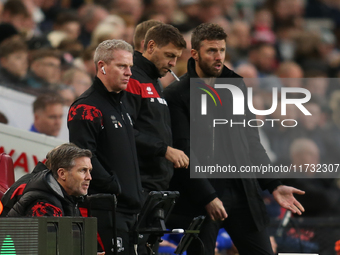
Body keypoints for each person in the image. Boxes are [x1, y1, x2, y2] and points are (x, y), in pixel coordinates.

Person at [164, 23, 305, 255]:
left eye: (221, 50)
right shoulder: (177, 95)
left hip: (241, 190)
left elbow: (251, 142)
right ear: (195, 54)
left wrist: (273, 184)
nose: (218, 57)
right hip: (201, 196)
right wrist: (208, 196)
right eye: (211, 51)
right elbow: (183, 153)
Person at [68, 39, 143, 255]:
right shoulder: (86, 107)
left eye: (130, 67)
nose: (129, 72)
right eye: (122, 66)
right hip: (106, 211)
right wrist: (115, 186)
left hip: (129, 210)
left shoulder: (122, 104)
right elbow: (83, 157)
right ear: (102, 66)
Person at [125, 23, 189, 195]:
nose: (173, 63)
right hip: (137, 184)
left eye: (176, 57)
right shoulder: (132, 79)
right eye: (169, 55)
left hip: (156, 184)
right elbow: (124, 130)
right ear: (151, 46)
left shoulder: (154, 80)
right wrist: (164, 149)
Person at [6, 143, 92, 217]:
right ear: (61, 173)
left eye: (89, 171)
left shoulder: (66, 196)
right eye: (82, 170)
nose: (89, 177)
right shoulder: (43, 202)